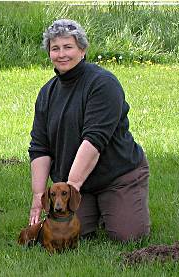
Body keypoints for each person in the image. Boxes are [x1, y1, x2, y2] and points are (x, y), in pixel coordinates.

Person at [27, 19, 150, 242]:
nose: (61, 54)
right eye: (55, 48)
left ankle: (113, 204)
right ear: (49, 53)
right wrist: (38, 195)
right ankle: (96, 208)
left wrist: (72, 189)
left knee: (128, 236)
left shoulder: (103, 84)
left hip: (116, 175)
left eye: (68, 47)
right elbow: (39, 147)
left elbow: (94, 141)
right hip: (74, 180)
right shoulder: (46, 93)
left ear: (82, 50)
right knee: (69, 235)